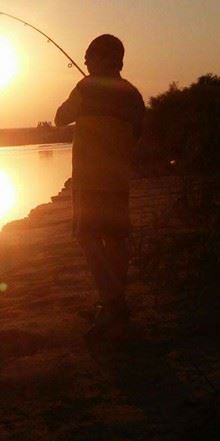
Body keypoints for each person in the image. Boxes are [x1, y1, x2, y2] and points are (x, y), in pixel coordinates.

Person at [54, 34, 145, 335]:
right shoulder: (132, 94)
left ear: (105, 58)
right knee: (116, 239)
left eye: (89, 56)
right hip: (118, 180)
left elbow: (60, 118)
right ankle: (115, 301)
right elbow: (137, 134)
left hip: (90, 180)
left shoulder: (86, 87)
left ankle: (111, 303)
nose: (84, 61)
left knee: (88, 238)